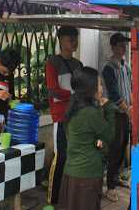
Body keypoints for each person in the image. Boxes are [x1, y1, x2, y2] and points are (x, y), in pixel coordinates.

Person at [59, 67, 116, 210]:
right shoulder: (90, 113)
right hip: (87, 175)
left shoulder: (73, 108)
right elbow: (109, 135)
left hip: (71, 173)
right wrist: (108, 108)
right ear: (90, 89)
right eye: (99, 84)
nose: (102, 88)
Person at [46, 26, 83, 205]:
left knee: (73, 156)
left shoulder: (78, 65)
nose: (74, 42)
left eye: (76, 38)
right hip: (61, 117)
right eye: (71, 39)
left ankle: (68, 195)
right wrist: (74, 95)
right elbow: (53, 90)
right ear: (60, 40)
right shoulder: (52, 62)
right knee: (60, 157)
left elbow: (83, 88)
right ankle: (52, 198)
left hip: (77, 116)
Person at [101, 33, 132, 202]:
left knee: (122, 147)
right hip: (114, 113)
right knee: (114, 148)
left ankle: (117, 176)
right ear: (113, 47)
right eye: (121, 45)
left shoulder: (125, 66)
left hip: (125, 113)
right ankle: (110, 186)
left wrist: (131, 107)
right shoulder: (109, 67)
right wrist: (128, 110)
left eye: (125, 45)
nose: (124, 48)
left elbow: (130, 88)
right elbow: (113, 93)